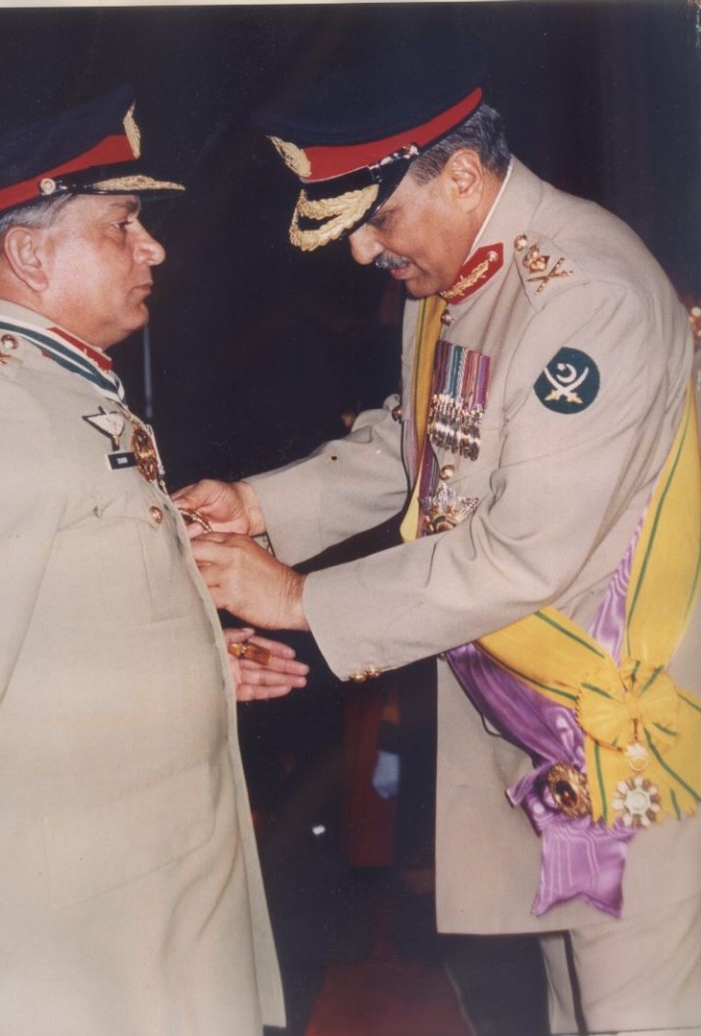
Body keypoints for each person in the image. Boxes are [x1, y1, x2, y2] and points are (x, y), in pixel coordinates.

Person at [173, 30, 701, 1036]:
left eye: (376, 219)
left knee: (641, 1016)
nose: (363, 251)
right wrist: (262, 506)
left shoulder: (583, 297)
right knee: (578, 1010)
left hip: (630, 741)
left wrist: (295, 597)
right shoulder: (466, 267)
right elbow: (421, 437)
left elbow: (520, 556)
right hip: (544, 732)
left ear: (462, 175)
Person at [0, 85, 309, 1035]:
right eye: (123, 225)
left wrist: (195, 659)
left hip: (143, 903)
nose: (154, 250)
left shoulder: (62, 391)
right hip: (76, 936)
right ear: (30, 254)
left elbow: (54, 624)